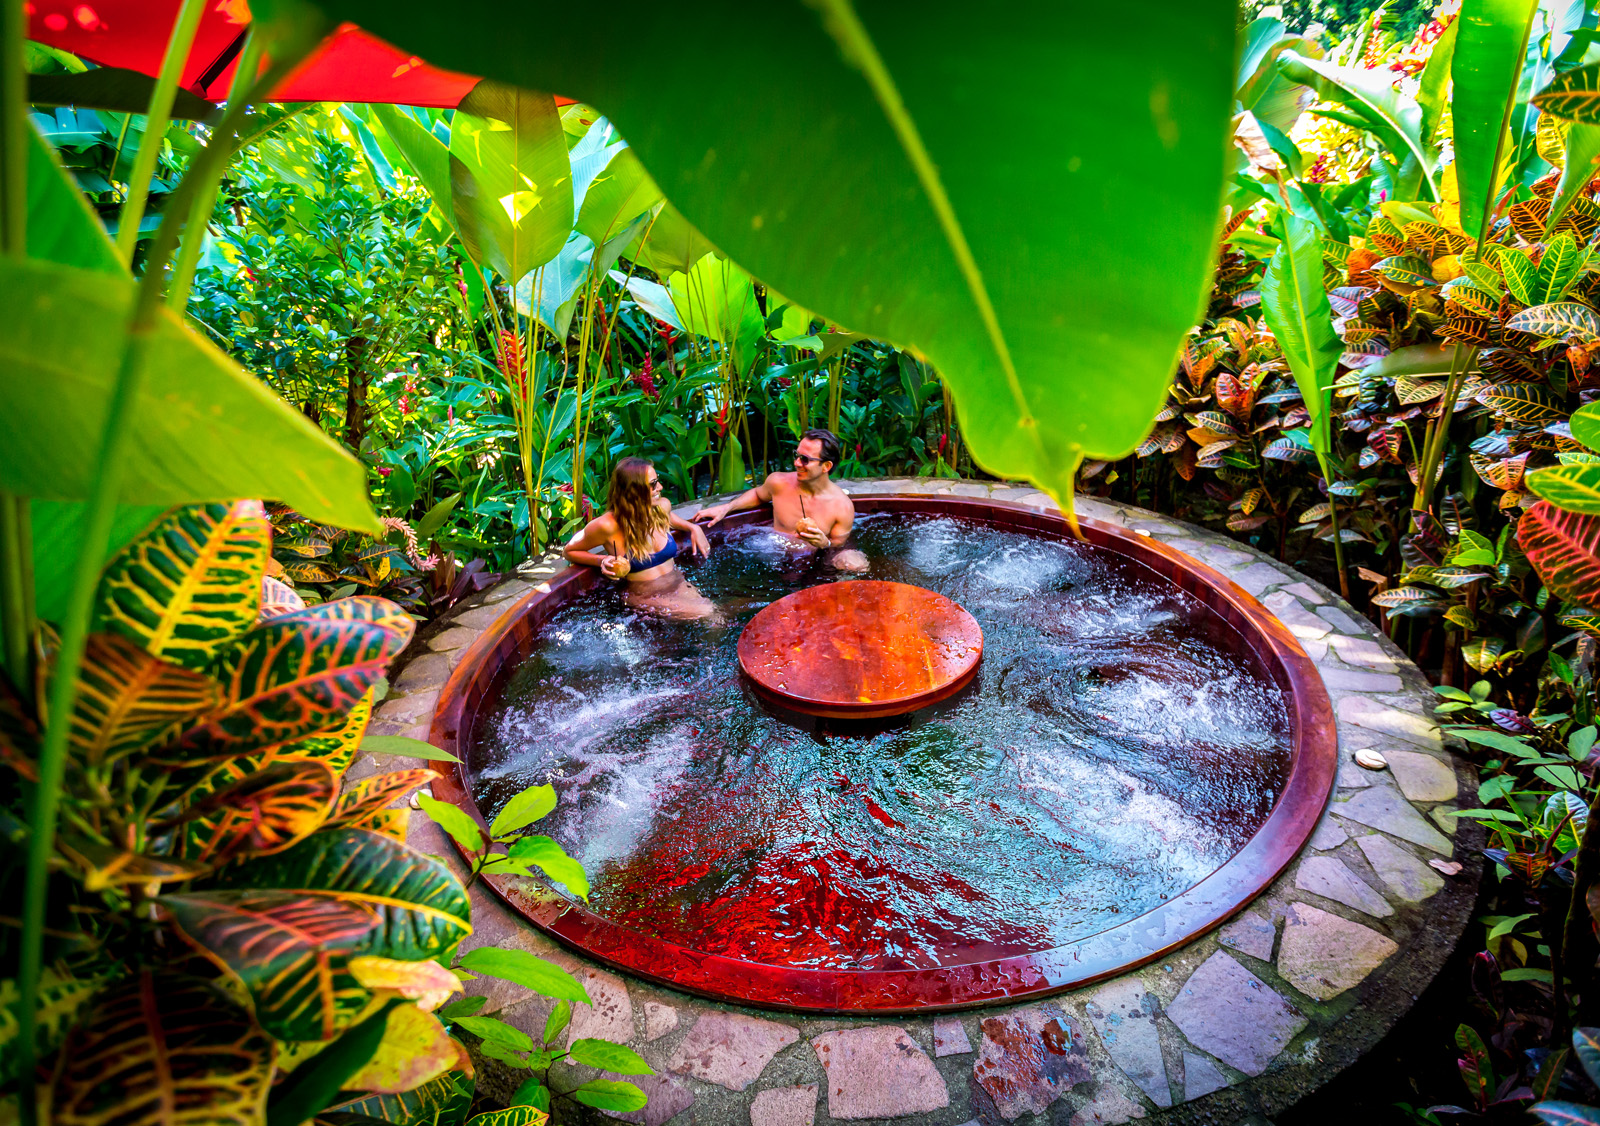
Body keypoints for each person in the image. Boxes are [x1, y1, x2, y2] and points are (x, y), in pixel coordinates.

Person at [693, 428, 868, 571]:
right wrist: (727, 508)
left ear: (826, 466)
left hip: (817, 559)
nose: (797, 463)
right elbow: (757, 495)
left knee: (856, 564)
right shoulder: (779, 483)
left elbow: (838, 543)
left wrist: (825, 543)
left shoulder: (841, 506)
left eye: (805, 459)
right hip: (776, 554)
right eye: (797, 455)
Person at [564, 457, 715, 619]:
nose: (660, 487)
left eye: (658, 481)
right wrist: (601, 560)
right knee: (707, 613)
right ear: (633, 490)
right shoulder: (606, 525)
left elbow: (668, 517)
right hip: (645, 597)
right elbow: (569, 551)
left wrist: (692, 527)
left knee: (717, 616)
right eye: (653, 484)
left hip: (678, 584)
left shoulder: (659, 508)